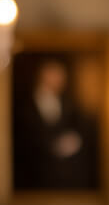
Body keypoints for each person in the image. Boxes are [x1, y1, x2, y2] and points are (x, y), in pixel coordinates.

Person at [13, 56, 101, 192]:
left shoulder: (69, 104)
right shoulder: (24, 106)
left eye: (61, 75)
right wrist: (52, 145)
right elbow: (23, 140)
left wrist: (74, 141)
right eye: (55, 74)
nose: (59, 79)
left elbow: (81, 131)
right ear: (43, 74)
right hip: (34, 178)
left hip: (65, 180)